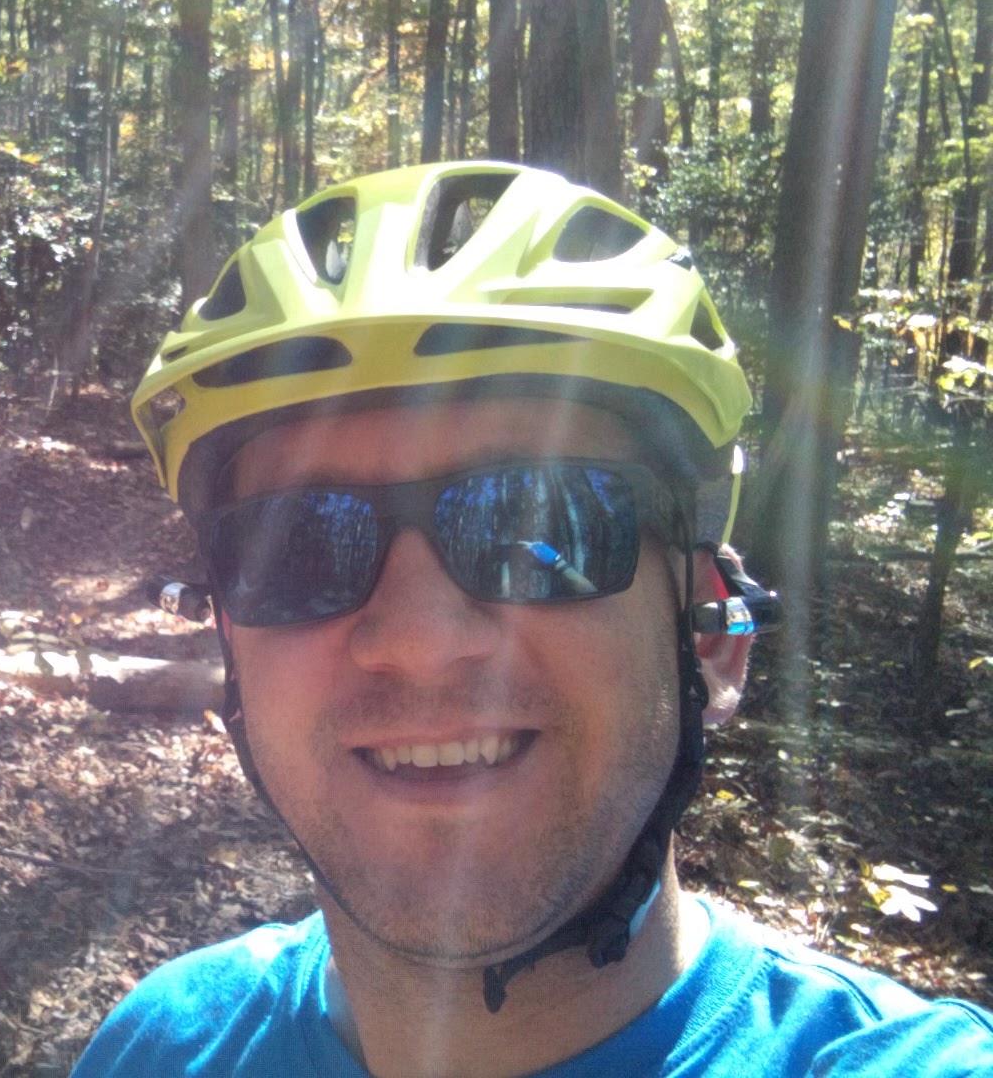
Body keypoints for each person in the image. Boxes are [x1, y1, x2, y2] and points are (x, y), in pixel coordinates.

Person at [72, 162, 993, 1076]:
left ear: (709, 636)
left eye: (542, 521)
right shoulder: (160, 1046)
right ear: (233, 644)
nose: (419, 641)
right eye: (299, 547)